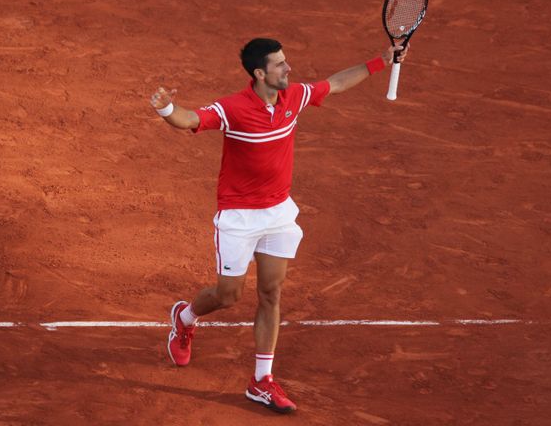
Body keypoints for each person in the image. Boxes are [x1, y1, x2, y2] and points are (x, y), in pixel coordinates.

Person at [149, 38, 407, 414]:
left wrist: (379, 62)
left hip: (278, 214)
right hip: (238, 217)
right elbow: (192, 119)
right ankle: (185, 317)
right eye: (280, 65)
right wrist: (166, 108)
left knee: (271, 293)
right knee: (228, 296)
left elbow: (334, 83)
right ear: (259, 74)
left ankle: (261, 381)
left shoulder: (294, 97)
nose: (288, 69)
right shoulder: (233, 108)